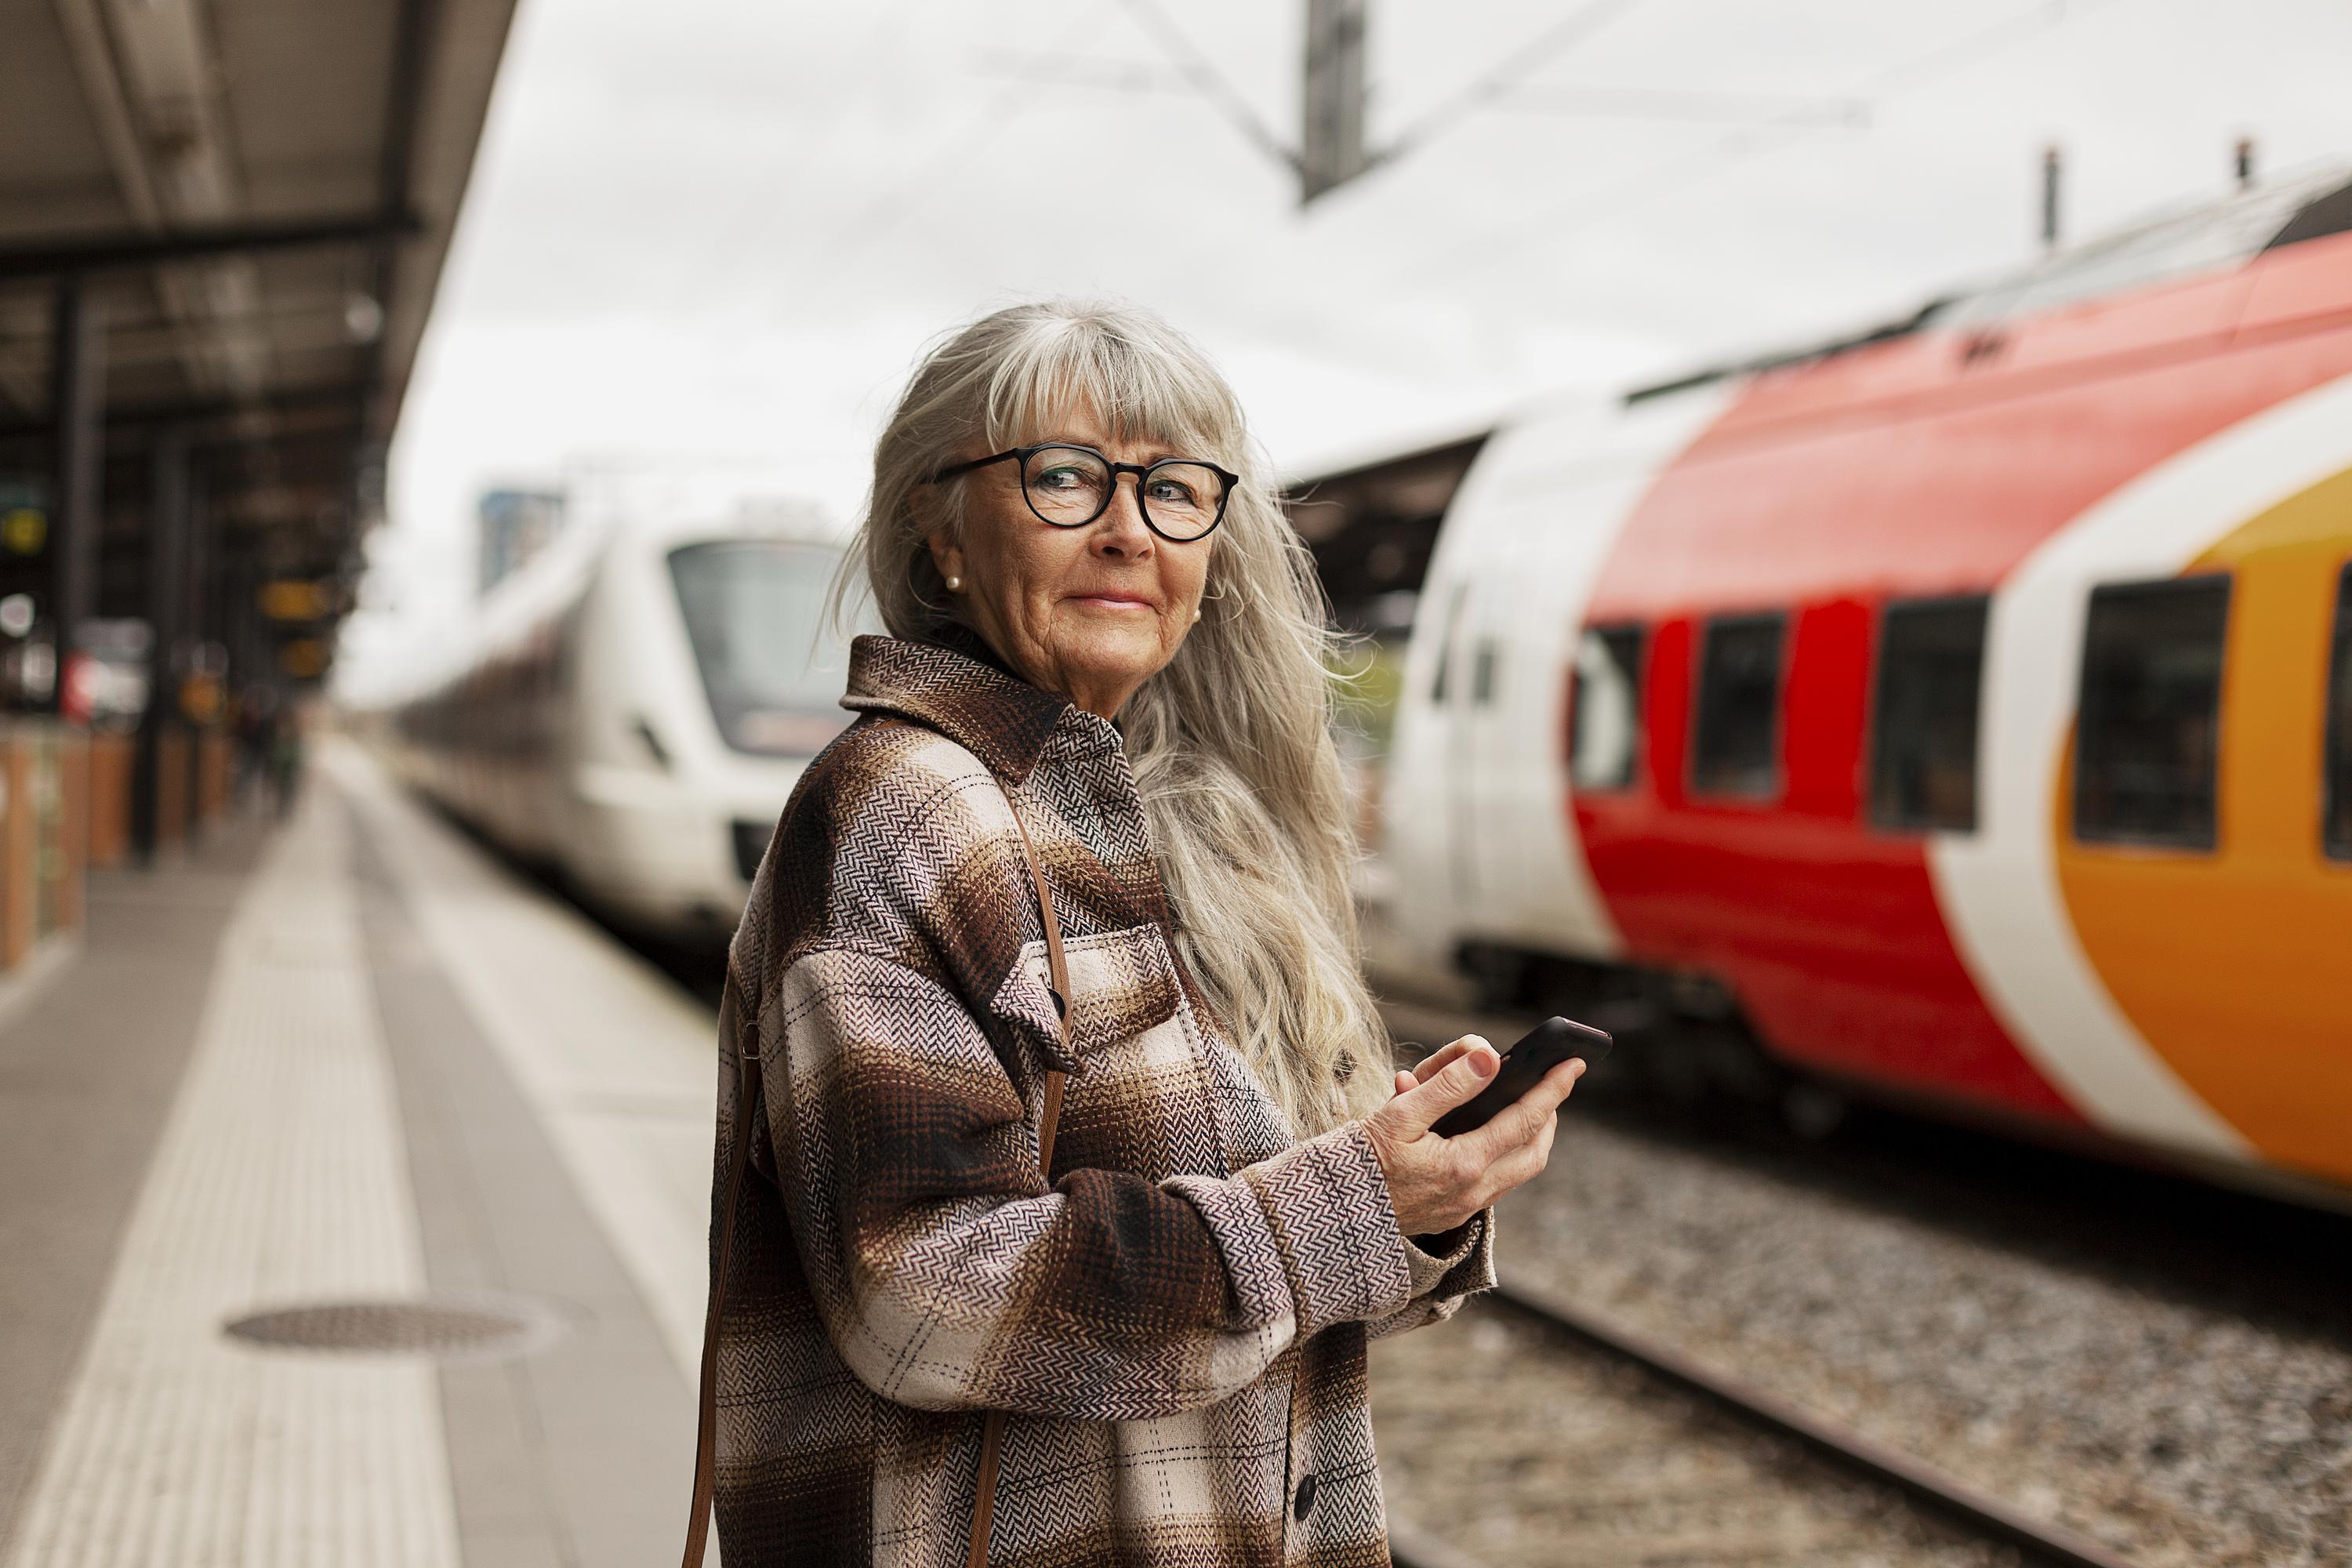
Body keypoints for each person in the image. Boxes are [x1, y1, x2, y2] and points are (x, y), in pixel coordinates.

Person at [699, 301, 1582, 1567]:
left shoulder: (1170, 826)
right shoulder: (906, 808)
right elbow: (919, 1294)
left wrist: (1409, 1196)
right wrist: (1334, 1206)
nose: (1127, 529)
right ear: (938, 533)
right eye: (1064, 477)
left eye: (1173, 489)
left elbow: (1261, 1274)